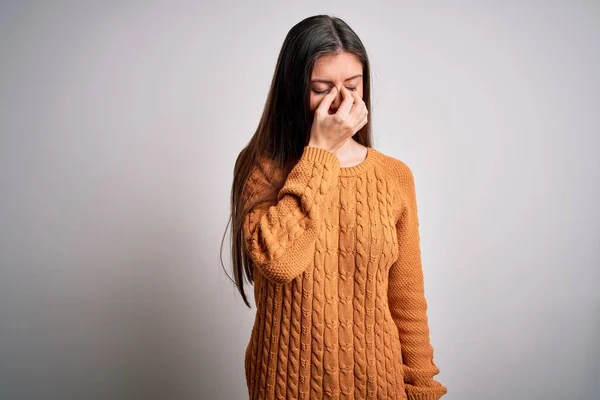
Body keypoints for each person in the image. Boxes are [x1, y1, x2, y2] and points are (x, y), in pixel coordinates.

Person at [226, 14, 447, 400]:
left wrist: (423, 390)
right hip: (283, 388)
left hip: (379, 387)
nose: (340, 100)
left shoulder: (394, 177)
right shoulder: (260, 168)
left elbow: (406, 300)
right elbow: (281, 262)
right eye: (320, 88)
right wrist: (320, 152)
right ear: (293, 91)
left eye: (352, 86)